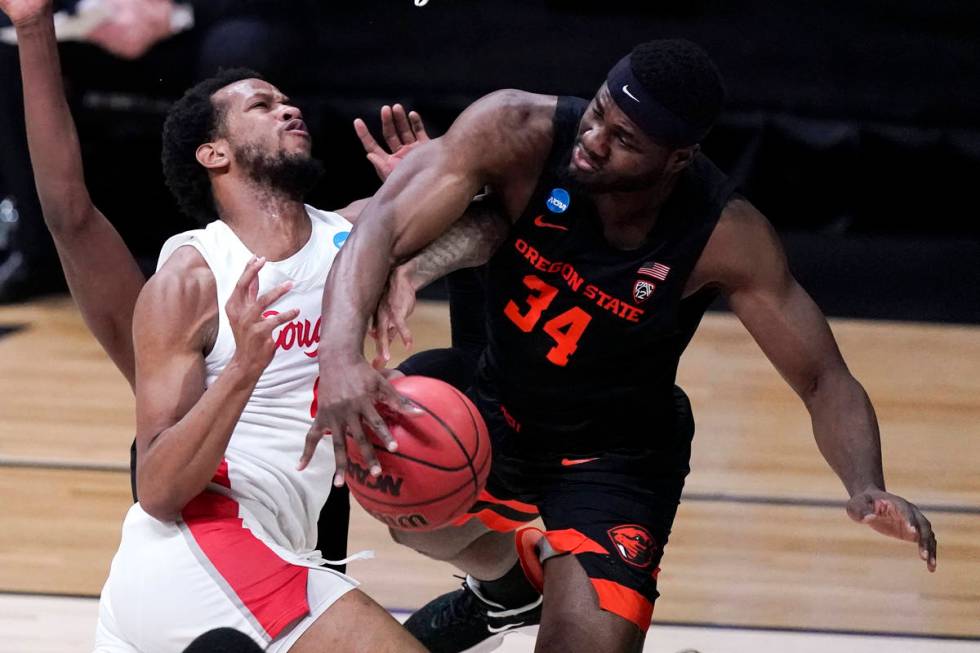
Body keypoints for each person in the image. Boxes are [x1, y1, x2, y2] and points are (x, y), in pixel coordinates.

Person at [304, 39, 939, 653]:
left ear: (679, 158)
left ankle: (546, 584)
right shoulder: (517, 127)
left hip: (614, 459)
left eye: (625, 139)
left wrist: (866, 484)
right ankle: (509, 585)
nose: (595, 139)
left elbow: (822, 378)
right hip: (493, 404)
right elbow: (380, 224)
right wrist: (340, 355)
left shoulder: (725, 234)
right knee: (403, 490)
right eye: (600, 109)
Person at [0, 1, 493, 649]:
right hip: (207, 538)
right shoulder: (193, 278)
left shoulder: (353, 236)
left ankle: (486, 602)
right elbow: (69, 211)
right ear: (213, 151)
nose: (287, 108)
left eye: (286, 100)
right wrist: (35, 27)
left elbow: (489, 227)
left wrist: (442, 182)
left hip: (297, 527)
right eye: (261, 105)